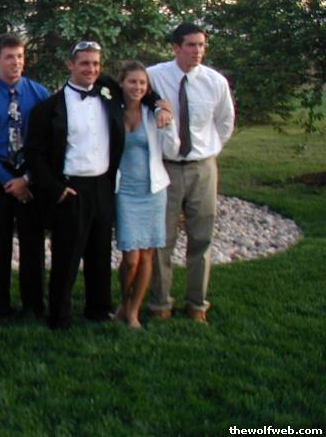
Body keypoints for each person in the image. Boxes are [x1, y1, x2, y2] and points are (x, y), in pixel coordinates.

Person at [25, 41, 169, 330]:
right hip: (71, 188)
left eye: (95, 63)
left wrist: (158, 104)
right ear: (70, 65)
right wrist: (55, 189)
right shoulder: (48, 108)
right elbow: (35, 155)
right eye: (84, 63)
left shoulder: (108, 95)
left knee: (100, 253)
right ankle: (59, 316)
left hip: (103, 185)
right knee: (66, 257)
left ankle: (98, 310)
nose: (90, 68)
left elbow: (140, 89)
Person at [147, 23, 235, 323]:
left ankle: (197, 304)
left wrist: (207, 151)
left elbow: (224, 123)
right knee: (162, 239)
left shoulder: (215, 82)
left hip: (202, 168)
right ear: (176, 48)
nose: (197, 51)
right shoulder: (155, 76)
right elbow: (134, 94)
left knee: (201, 237)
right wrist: (158, 106)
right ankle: (160, 303)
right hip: (166, 167)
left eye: (201, 45)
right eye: (191, 45)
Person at [0, 33, 49, 319]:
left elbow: (47, 141)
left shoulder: (39, 94)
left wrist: (27, 178)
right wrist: (8, 180)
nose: (15, 62)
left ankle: (34, 304)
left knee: (32, 242)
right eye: (9, 57)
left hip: (30, 175)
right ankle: (0, 306)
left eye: (19, 57)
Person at [113, 61, 180, 329]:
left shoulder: (154, 113)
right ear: (121, 83)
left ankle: (133, 311)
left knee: (147, 256)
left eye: (142, 83)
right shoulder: (112, 111)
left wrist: (168, 123)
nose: (138, 87)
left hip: (152, 191)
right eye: (132, 81)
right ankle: (123, 302)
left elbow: (173, 150)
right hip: (124, 192)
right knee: (131, 259)